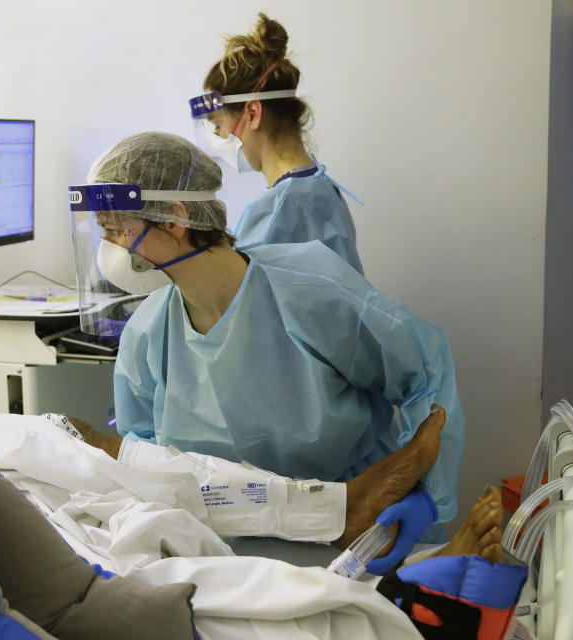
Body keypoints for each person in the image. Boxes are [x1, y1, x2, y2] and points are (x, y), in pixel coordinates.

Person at [68, 131, 465, 552]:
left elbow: (425, 375)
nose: (106, 250)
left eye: (114, 231)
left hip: (355, 531)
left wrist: (424, 494)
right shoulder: (149, 332)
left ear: (173, 219)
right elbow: (145, 458)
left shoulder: (309, 293)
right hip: (225, 551)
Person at [190, 13, 364, 273]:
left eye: (218, 125)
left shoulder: (284, 208)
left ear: (252, 114)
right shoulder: (319, 190)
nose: (220, 137)